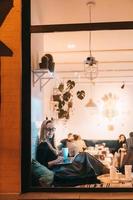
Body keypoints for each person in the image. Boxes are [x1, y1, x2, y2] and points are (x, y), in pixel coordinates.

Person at [35, 120, 109, 187]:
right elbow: (43, 165)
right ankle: (104, 171)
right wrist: (56, 161)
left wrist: (59, 154)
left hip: (61, 165)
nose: (51, 131)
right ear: (43, 130)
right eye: (48, 129)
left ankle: (103, 171)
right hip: (57, 170)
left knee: (84, 157)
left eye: (53, 129)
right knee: (84, 156)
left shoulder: (49, 142)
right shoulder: (43, 145)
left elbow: (51, 156)